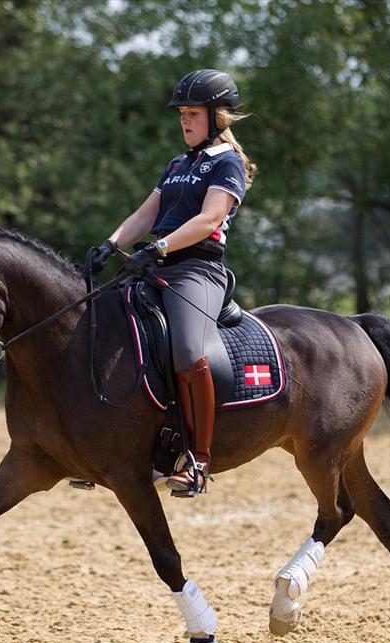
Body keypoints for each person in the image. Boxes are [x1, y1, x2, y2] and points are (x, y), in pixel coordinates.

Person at [87, 69, 258, 496]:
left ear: (219, 117)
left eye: (193, 113)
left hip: (196, 270)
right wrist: (111, 244)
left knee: (186, 350)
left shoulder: (228, 163)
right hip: (153, 266)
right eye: (182, 113)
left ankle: (198, 460)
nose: (184, 121)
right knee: (99, 330)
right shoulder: (178, 164)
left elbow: (209, 219)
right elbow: (146, 214)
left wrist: (158, 247)